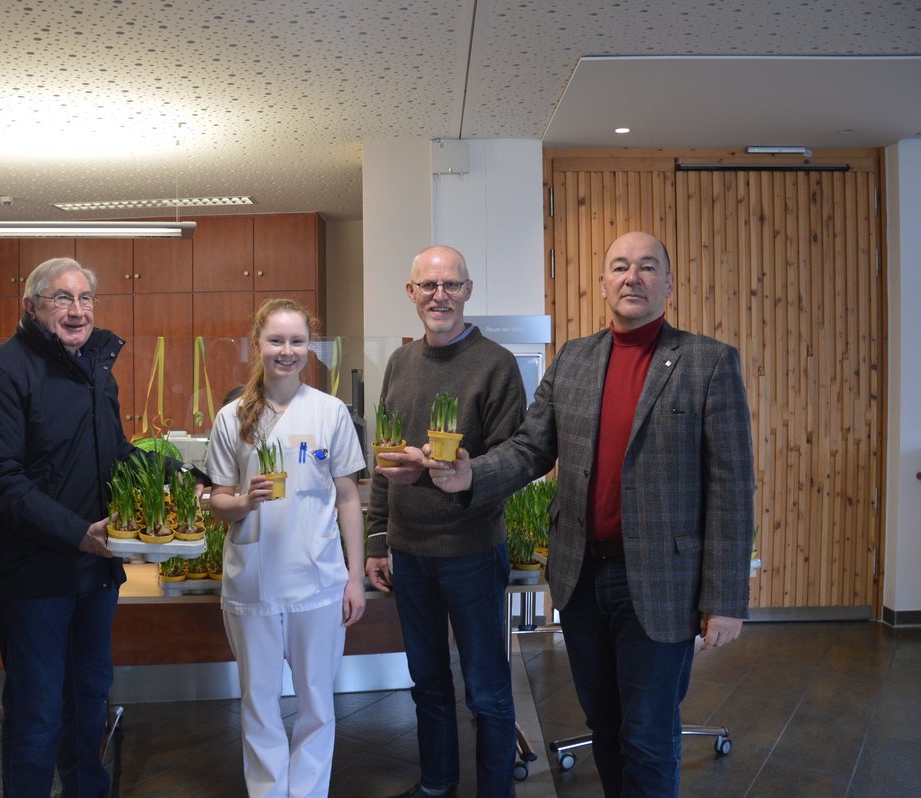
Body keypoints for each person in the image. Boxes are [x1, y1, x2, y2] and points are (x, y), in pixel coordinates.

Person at [431, 231, 756, 797]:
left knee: (647, 736)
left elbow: (732, 486)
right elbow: (530, 447)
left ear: (669, 284)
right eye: (620, 266)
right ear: (603, 283)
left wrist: (725, 599)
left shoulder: (708, 362)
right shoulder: (574, 359)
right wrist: (471, 475)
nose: (633, 277)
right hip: (582, 577)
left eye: (648, 267)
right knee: (604, 725)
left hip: (661, 584)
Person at [0, 256, 203, 798]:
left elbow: (116, 453)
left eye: (85, 298)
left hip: (94, 574)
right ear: (31, 307)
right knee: (37, 712)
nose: (77, 310)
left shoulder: (95, 372)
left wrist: (191, 476)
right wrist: (79, 533)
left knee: (90, 701)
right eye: (61, 298)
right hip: (31, 578)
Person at [367, 245, 526, 798]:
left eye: (451, 285)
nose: (440, 296)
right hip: (410, 554)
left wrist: (456, 474)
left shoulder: (496, 364)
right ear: (411, 293)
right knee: (427, 680)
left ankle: (495, 791)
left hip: (472, 553)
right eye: (429, 286)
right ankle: (437, 784)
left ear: (468, 291)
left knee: (486, 687)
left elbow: (513, 460)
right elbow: (385, 459)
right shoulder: (400, 363)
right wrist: (378, 538)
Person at [205, 298, 367, 798]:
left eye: (297, 341)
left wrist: (355, 577)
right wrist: (244, 501)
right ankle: (269, 791)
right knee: (258, 700)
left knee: (317, 701)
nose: (287, 350)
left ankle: (309, 792)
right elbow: (217, 501)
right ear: (257, 344)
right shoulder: (232, 417)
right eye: (276, 340)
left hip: (318, 580)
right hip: (252, 581)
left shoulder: (330, 412)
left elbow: (348, 498)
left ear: (310, 346)